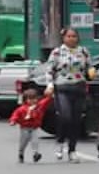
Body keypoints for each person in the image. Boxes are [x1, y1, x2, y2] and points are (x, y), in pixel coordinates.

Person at [45, 27, 93, 163]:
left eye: (74, 36)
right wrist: (49, 85)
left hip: (79, 87)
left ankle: (72, 149)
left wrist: (91, 71)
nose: (71, 39)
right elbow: (50, 70)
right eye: (69, 36)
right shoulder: (57, 52)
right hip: (62, 87)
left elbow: (90, 66)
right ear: (63, 38)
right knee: (65, 116)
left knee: (76, 120)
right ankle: (60, 142)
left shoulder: (83, 51)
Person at [9, 88, 53, 163]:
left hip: (34, 127)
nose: (32, 101)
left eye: (34, 99)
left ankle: (35, 153)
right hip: (24, 128)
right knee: (23, 142)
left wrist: (50, 95)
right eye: (30, 99)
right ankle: (21, 152)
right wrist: (13, 121)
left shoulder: (39, 106)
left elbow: (46, 101)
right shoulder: (22, 109)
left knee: (35, 141)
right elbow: (15, 115)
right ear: (25, 99)